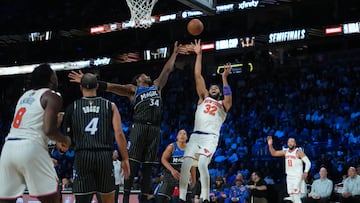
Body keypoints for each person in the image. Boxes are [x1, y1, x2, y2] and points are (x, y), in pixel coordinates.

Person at [68, 41, 181, 203]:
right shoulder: (132, 89)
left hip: (155, 128)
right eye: (143, 75)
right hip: (139, 126)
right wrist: (88, 82)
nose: (146, 75)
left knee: (148, 164)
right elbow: (111, 87)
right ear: (138, 80)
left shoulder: (156, 86)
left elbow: (167, 70)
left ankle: (144, 197)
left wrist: (175, 54)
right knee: (133, 163)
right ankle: (126, 198)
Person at [0, 64, 71, 203]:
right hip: (31, 147)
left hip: (8, 148)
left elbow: (36, 124)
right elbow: (49, 130)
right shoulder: (53, 96)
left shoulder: (24, 96)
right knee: (54, 199)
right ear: (51, 78)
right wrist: (65, 139)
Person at [179, 39, 232, 203]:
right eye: (212, 87)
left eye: (216, 88)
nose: (213, 88)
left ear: (220, 92)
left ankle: (205, 197)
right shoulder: (203, 98)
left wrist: (224, 78)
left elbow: (229, 98)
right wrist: (199, 55)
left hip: (210, 137)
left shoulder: (223, 105)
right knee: (186, 163)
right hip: (195, 136)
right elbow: (197, 75)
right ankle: (181, 198)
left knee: (202, 163)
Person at [63, 73, 130, 203]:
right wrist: (125, 158)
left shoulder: (73, 107)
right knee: (108, 200)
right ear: (98, 86)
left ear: (81, 87)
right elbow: (119, 133)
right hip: (104, 156)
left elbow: (67, 139)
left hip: (83, 156)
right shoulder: (110, 106)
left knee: (82, 200)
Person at [267, 136, 311, 203]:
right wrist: (270, 145)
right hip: (289, 177)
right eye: (289, 141)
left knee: (296, 197)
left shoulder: (298, 152)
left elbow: (308, 162)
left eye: (292, 141)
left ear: (295, 144)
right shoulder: (285, 152)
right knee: (292, 197)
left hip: (297, 177)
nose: (290, 143)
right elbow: (274, 153)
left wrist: (306, 172)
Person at [156, 129, 194, 203]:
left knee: (187, 199)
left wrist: (193, 178)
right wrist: (172, 170)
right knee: (161, 198)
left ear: (187, 137)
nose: (182, 135)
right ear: (177, 137)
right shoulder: (172, 147)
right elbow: (163, 159)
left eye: (184, 134)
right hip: (170, 174)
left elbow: (192, 165)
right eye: (180, 133)